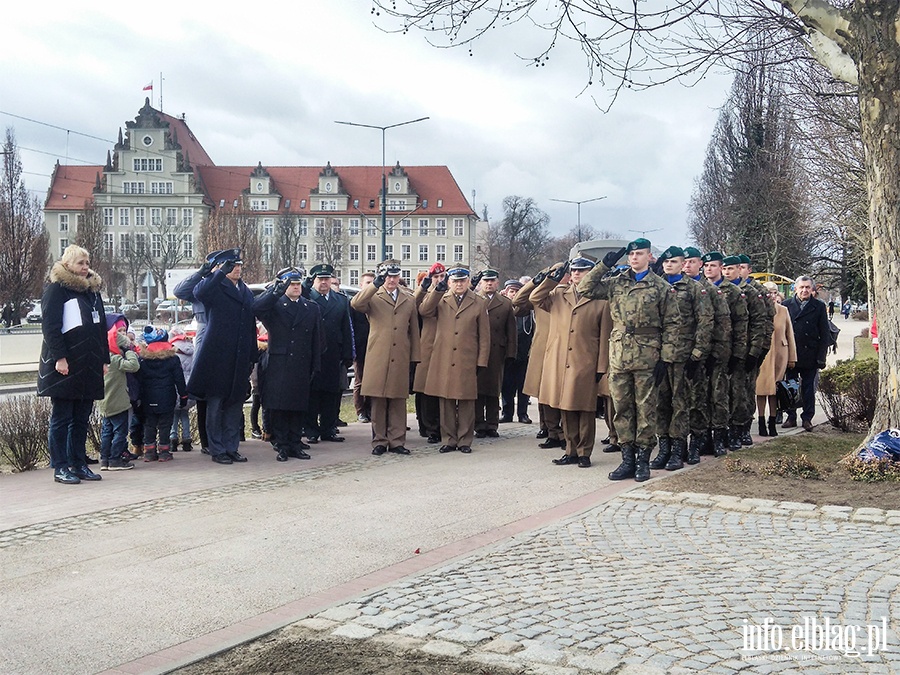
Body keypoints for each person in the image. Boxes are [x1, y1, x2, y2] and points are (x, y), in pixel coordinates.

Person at [578, 238, 678, 482]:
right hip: (620, 355)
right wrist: (602, 266)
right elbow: (584, 289)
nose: (634, 258)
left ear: (649, 257)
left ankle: (643, 461)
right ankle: (627, 460)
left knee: (645, 410)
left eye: (639, 253)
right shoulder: (616, 283)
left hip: (648, 356)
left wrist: (665, 358)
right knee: (622, 408)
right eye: (631, 254)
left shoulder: (660, 287)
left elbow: (673, 324)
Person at [37, 245, 109, 484]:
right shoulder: (57, 290)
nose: (85, 267)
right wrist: (59, 357)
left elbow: (101, 328)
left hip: (88, 365)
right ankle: (60, 466)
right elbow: (50, 327)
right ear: (67, 265)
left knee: (81, 418)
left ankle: (78, 463)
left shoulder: (92, 292)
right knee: (62, 418)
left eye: (87, 263)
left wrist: (104, 359)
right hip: (65, 364)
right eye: (80, 263)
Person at [531, 257, 612, 468]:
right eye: (574, 270)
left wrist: (602, 367)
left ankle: (585, 452)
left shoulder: (601, 300)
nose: (576, 274)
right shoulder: (559, 294)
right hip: (559, 361)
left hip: (585, 361)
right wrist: (551, 280)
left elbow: (605, 337)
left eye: (582, 270)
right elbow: (534, 298)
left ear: (591, 273)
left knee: (585, 409)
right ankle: (571, 450)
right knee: (565, 407)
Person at [188, 248, 257, 464]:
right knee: (215, 405)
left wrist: (251, 354)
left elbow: (249, 324)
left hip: (239, 356)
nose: (236, 269)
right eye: (231, 265)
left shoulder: (245, 290)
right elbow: (199, 294)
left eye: (238, 265)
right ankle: (216, 448)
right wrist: (216, 273)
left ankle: (231, 446)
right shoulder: (215, 286)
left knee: (234, 405)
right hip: (217, 356)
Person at [649, 246, 712, 471]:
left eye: (674, 262)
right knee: (660, 403)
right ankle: (663, 448)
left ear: (682, 264)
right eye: (666, 262)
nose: (669, 265)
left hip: (683, 356)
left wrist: (697, 354)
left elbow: (705, 322)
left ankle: (678, 450)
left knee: (681, 404)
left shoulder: (695, 288)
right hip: (659, 356)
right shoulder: (656, 286)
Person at [351, 260, 421, 455]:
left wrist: (415, 355)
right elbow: (356, 303)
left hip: (401, 354)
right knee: (379, 399)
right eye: (388, 276)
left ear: (400, 276)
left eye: (395, 276)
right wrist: (375, 284)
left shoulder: (408, 297)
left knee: (398, 399)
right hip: (378, 354)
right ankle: (379, 440)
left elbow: (414, 329)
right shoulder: (374, 295)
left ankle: (397, 440)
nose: (392, 280)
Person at [419, 265, 490, 454]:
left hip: (467, 357)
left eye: (462, 280)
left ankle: (465, 440)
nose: (459, 284)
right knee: (446, 400)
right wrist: (437, 290)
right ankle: (449, 439)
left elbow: (484, 335)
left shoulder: (479, 302)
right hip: (444, 356)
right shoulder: (441, 298)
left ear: (468, 281)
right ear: (449, 282)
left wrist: (482, 360)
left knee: (466, 400)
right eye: (455, 281)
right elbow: (424, 311)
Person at [254, 268, 324, 461]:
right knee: (280, 407)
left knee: (298, 406)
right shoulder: (275, 305)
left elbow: (317, 339)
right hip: (279, 363)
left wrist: (315, 365)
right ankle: (282, 445)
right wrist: (274, 290)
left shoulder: (311, 308)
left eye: (297, 284)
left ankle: (295, 443)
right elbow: (256, 308)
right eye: (291, 284)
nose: (295, 288)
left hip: (301, 363)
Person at [700, 252, 747, 457]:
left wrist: (740, 353)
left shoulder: (733, 292)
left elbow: (739, 324)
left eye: (713, 266)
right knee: (700, 398)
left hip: (721, 352)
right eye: (706, 265)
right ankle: (703, 437)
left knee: (721, 396)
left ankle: (723, 435)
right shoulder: (698, 288)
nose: (709, 269)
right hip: (700, 353)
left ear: (721, 268)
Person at [514, 266, 565, 449]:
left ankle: (564, 432)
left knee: (561, 393)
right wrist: (535, 282)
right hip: (542, 348)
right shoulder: (541, 295)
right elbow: (518, 301)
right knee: (544, 394)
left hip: (562, 347)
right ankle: (551, 431)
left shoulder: (568, 294)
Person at [304, 264, 353, 443]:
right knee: (312, 393)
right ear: (314, 281)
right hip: (312, 353)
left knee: (331, 393)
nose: (324, 282)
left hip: (333, 352)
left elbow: (346, 328)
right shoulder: (307, 297)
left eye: (327, 279)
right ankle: (310, 429)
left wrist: (348, 353)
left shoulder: (340, 300)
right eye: (320, 279)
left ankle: (328, 428)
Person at [782, 275, 831, 431]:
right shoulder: (786, 305)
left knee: (808, 388)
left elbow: (824, 333)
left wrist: (821, 357)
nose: (804, 290)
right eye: (801, 287)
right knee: (790, 387)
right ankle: (790, 416)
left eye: (807, 287)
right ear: (795, 289)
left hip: (810, 353)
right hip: (791, 354)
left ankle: (807, 417)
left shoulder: (819, 306)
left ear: (812, 289)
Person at [473, 269, 517, 438]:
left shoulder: (505, 303)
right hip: (477, 351)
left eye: (492, 281)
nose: (489, 284)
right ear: (481, 283)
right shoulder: (475, 300)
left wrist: (511, 352)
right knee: (478, 390)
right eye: (486, 281)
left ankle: (492, 424)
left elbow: (511, 331)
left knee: (493, 389)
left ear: (498, 283)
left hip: (497, 351)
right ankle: (478, 424)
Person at [138, 326, 187, 462]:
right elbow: (179, 379)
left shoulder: (143, 360)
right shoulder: (172, 359)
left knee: (149, 423)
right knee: (165, 424)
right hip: (167, 396)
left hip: (148, 396)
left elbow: (139, 379)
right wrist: (183, 396)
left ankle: (149, 451)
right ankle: (164, 451)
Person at [755, 282, 797, 437]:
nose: (771, 296)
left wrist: (792, 357)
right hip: (762, 356)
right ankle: (760, 421)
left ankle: (772, 421)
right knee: (761, 389)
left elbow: (790, 335)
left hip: (780, 354)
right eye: (768, 292)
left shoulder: (783, 311)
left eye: (774, 292)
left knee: (775, 390)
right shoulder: (757, 309)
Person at [98, 319, 140, 470]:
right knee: (120, 432)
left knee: (107, 432)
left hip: (105, 403)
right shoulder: (115, 359)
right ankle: (115, 459)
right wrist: (129, 351)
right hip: (118, 403)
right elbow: (134, 366)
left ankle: (104, 460)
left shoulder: (101, 359)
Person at [412, 263, 446, 444]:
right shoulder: (425, 294)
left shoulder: (449, 292)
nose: (440, 280)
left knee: (442, 388)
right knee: (424, 390)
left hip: (445, 346)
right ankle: (428, 426)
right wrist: (424, 288)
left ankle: (443, 426)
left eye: (442, 277)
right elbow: (415, 306)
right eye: (436, 277)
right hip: (427, 346)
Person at [500, 278, 533, 424]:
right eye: (511, 291)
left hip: (524, 352)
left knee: (523, 386)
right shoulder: (502, 308)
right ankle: (507, 412)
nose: (514, 294)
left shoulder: (527, 310)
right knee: (506, 385)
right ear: (506, 292)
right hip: (507, 353)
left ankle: (522, 413)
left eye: (517, 291)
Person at [351, 271, 375, 423]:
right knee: (360, 380)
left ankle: (371, 409)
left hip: (376, 348)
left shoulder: (378, 301)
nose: (370, 286)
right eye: (367, 283)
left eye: (372, 283)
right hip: (361, 347)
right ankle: (360, 410)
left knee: (374, 380)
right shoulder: (355, 302)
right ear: (361, 285)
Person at [168, 325, 195, 452]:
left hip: (174, 385)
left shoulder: (171, 350)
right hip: (188, 384)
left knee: (174, 413)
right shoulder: (191, 349)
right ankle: (187, 439)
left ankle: (173, 437)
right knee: (184, 413)